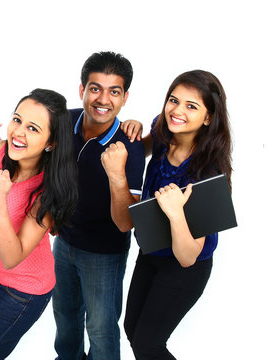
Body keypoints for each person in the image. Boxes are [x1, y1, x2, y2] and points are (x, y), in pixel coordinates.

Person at [121, 70, 232, 360]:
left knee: (149, 344)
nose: (177, 111)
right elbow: (146, 147)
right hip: (151, 251)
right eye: (174, 100)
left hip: (185, 268)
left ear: (208, 117)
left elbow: (188, 256)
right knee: (133, 332)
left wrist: (175, 213)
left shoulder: (207, 173)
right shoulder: (163, 129)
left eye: (191, 106)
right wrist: (135, 132)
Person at [0, 88, 79, 360]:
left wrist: (1, 199)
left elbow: (12, 257)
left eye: (33, 128)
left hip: (25, 291)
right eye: (17, 120)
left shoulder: (48, 194)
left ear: (51, 143)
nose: (18, 132)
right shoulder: (1, 150)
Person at [52, 51, 146, 360]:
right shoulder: (64, 121)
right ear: (82, 90)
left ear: (124, 98)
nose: (103, 99)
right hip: (63, 243)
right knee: (65, 321)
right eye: (95, 88)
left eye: (114, 91)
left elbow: (125, 223)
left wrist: (116, 175)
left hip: (104, 253)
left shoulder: (129, 145)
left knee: (101, 329)